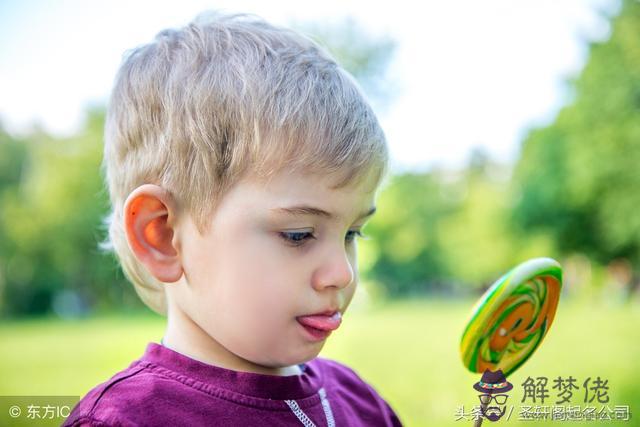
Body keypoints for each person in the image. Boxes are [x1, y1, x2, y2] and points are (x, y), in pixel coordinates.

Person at [63, 10, 401, 427]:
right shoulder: (128, 420)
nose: (342, 273)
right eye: (298, 234)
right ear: (163, 236)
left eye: (352, 232)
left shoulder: (356, 399)